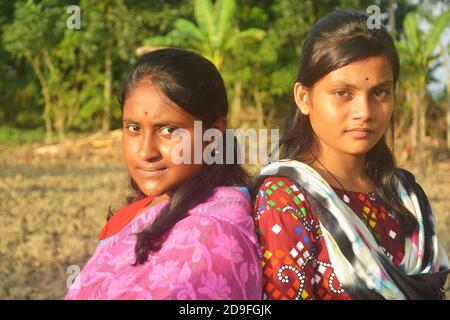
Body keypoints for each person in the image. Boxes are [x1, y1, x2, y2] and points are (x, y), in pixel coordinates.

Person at [253, 10, 449, 300]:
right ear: (303, 98)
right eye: (343, 93)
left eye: (380, 93)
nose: (365, 112)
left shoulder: (407, 196)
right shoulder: (286, 200)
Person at [66, 48, 262, 300]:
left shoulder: (215, 235)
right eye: (134, 128)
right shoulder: (132, 214)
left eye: (169, 130)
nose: (146, 152)